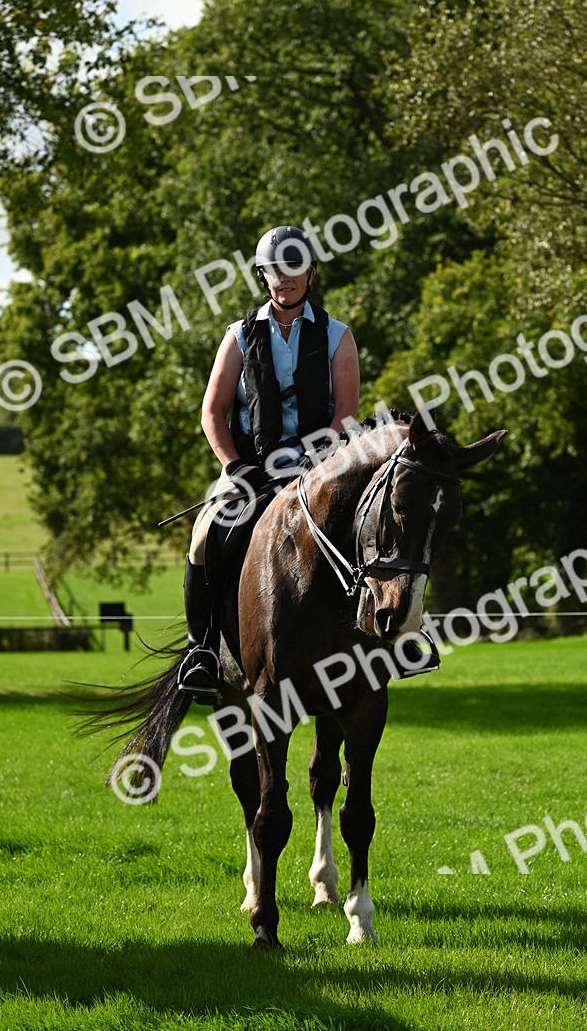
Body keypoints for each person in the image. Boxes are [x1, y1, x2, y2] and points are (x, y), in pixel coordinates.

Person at [177, 224, 436, 703]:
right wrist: (235, 468)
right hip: (250, 470)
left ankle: (401, 637)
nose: (284, 278)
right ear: (263, 275)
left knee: (386, 521)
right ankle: (202, 651)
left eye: (293, 268)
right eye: (274, 269)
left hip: (321, 469)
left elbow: (345, 415)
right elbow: (212, 413)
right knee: (203, 537)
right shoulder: (238, 336)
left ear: (310, 273)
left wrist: (313, 465)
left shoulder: (338, 335)